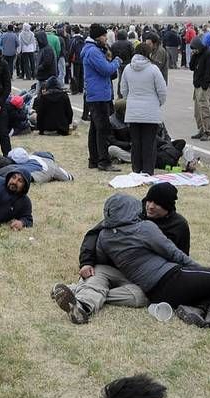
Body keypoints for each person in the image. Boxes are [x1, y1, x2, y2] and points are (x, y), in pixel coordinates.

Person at [94, 193, 210, 328]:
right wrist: (198, 269)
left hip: (155, 294)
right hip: (171, 277)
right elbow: (173, 253)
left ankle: (194, 309)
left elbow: (102, 259)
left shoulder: (104, 237)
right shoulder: (144, 228)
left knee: (206, 287)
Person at [52, 183, 189, 324]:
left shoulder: (178, 226)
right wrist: (86, 262)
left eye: (157, 204)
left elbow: (179, 258)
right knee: (97, 273)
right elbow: (94, 234)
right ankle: (83, 307)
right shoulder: (131, 212)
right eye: (149, 200)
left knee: (140, 298)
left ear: (168, 207)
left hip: (145, 279)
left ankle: (79, 290)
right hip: (113, 268)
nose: (150, 206)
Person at [121, 43, 168, 174]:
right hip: (150, 111)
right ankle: (147, 170)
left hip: (133, 111)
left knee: (136, 143)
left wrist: (130, 100)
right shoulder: (153, 69)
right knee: (149, 143)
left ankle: (136, 169)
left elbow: (123, 90)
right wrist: (158, 103)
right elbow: (162, 90)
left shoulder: (128, 69)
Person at [83, 24, 124, 171]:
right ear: (97, 37)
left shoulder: (94, 50)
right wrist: (116, 62)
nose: (106, 39)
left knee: (95, 129)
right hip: (98, 95)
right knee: (103, 129)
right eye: (104, 36)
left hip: (98, 94)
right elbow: (106, 70)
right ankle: (103, 161)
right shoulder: (93, 52)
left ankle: (93, 160)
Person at [188, 37, 210, 141]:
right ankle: (201, 129)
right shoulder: (197, 54)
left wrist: (205, 85)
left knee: (204, 108)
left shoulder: (209, 54)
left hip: (204, 85)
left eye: (195, 48)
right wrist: (193, 56)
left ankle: (208, 132)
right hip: (197, 85)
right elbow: (191, 67)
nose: (194, 50)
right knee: (197, 110)